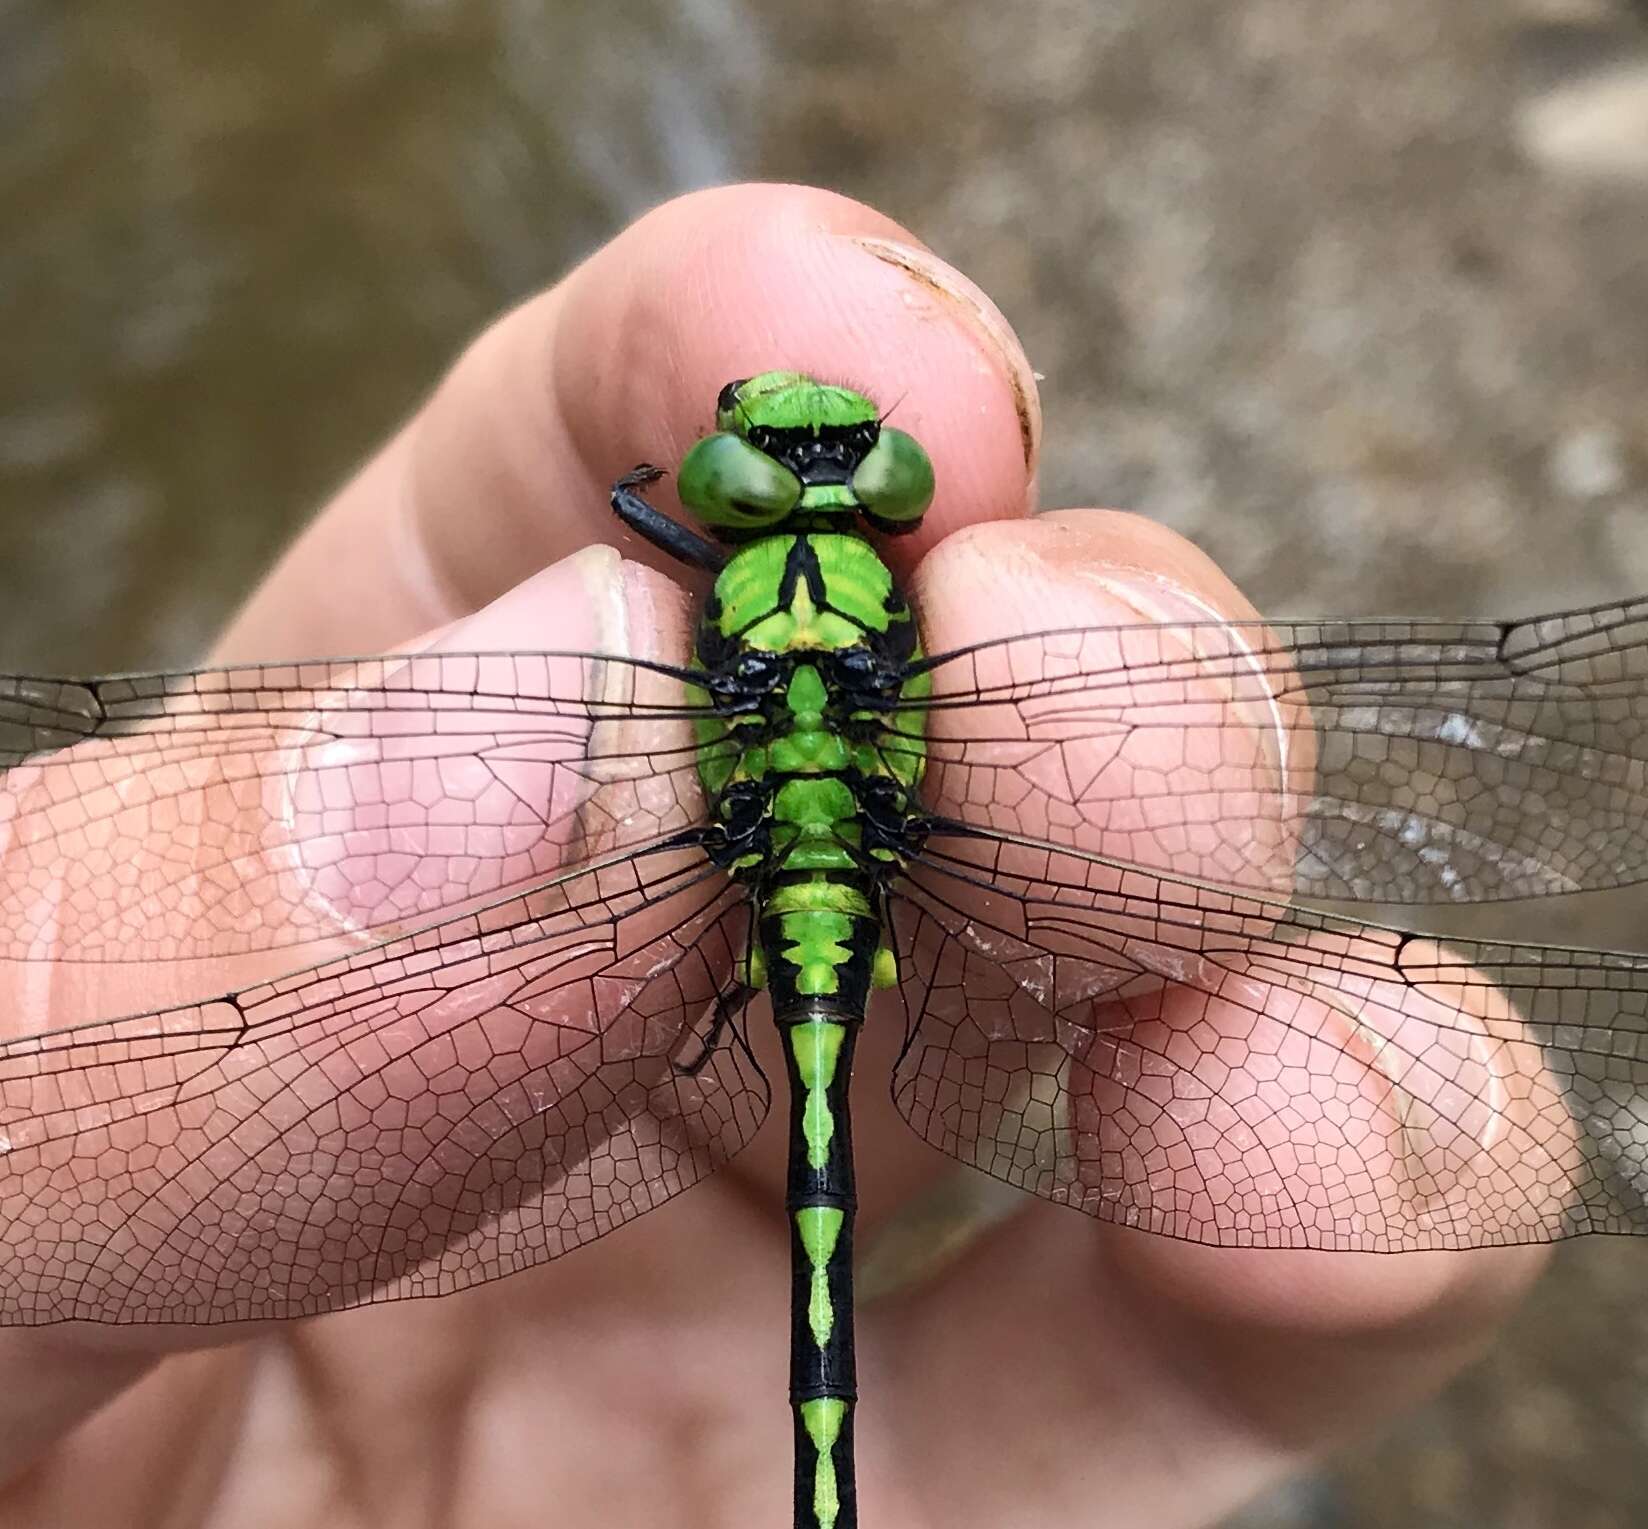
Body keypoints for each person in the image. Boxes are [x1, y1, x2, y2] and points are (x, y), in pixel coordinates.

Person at [0, 184, 1541, 1528]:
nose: (804, 478)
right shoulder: (885, 603)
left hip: (741, 924)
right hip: (844, 906)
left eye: (835, 467)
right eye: (764, 466)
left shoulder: (687, 574)